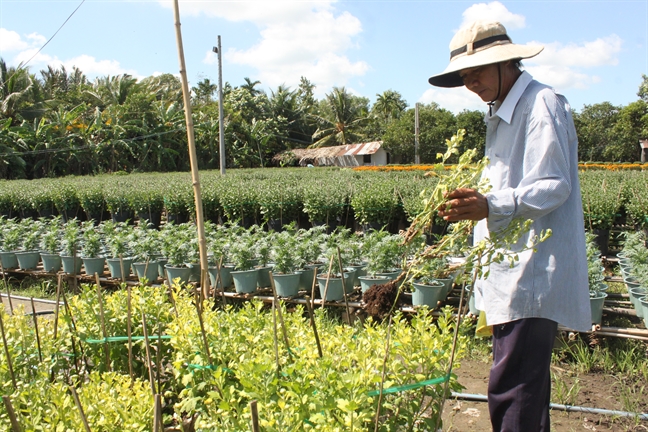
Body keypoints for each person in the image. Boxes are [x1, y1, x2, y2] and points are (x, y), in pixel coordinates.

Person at [428, 21, 592, 431]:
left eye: (477, 72)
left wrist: (490, 204)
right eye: (465, 76)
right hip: (511, 271)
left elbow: (554, 185)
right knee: (521, 386)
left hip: (530, 272)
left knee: (514, 387)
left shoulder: (541, 104)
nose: (471, 83)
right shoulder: (503, 112)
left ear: (506, 63)